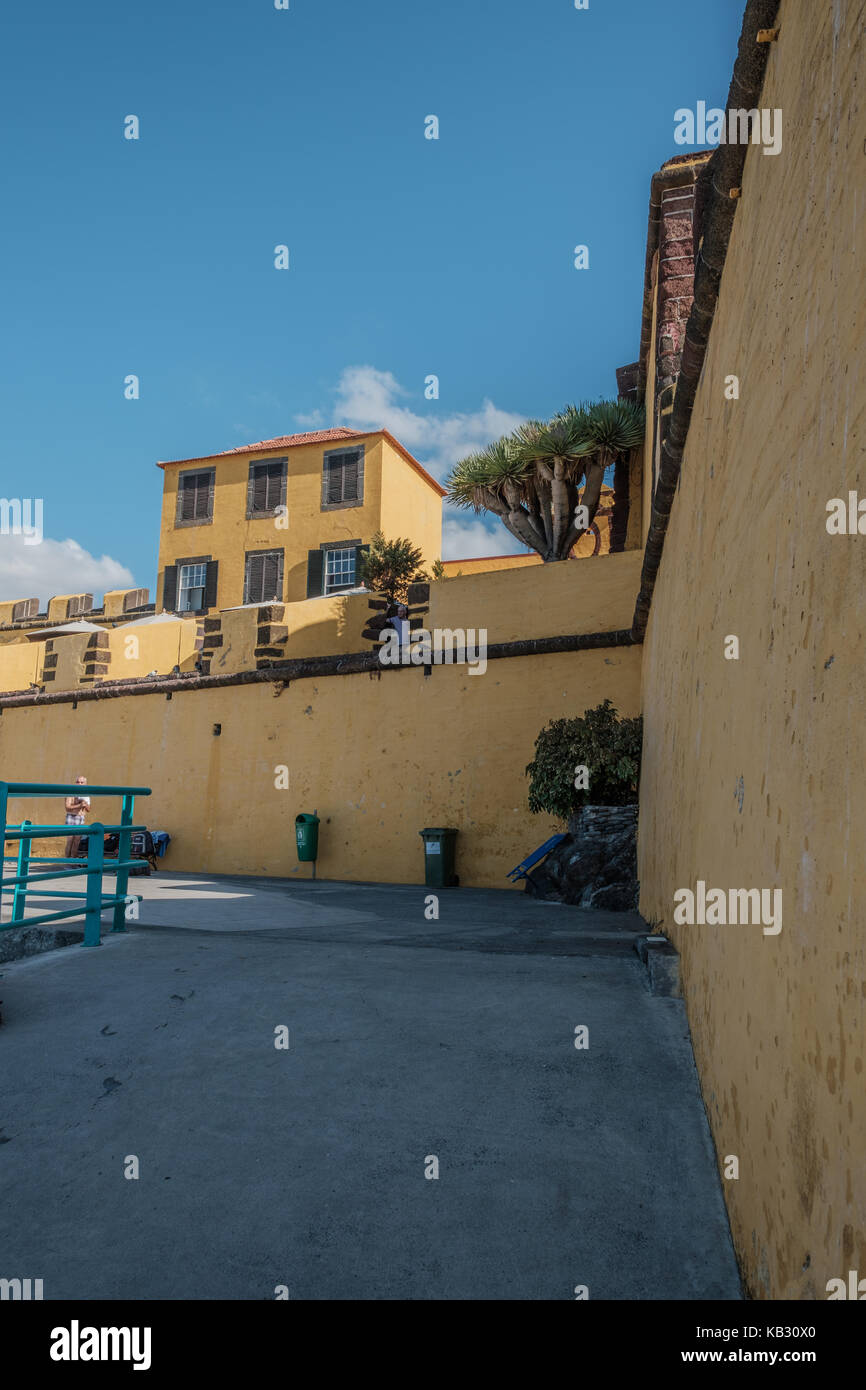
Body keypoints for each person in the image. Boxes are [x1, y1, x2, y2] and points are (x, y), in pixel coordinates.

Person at [64, 775, 91, 858]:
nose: (79, 784)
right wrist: (79, 805)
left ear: (85, 784)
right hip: (71, 817)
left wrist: (85, 803)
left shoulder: (86, 794)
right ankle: (67, 863)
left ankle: (73, 862)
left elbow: (88, 810)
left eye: (82, 782)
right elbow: (67, 807)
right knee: (70, 841)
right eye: (78, 782)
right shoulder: (70, 792)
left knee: (77, 842)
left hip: (81, 818)